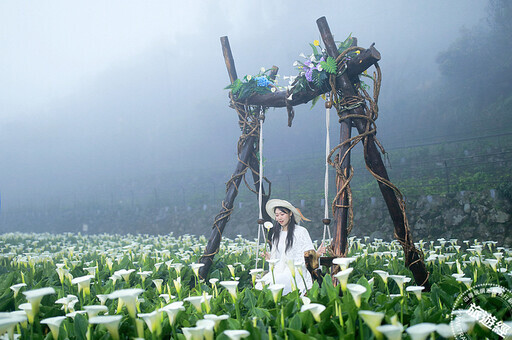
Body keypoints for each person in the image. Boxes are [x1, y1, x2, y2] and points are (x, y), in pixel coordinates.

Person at [255, 199, 325, 295]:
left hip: (296, 270)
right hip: (279, 270)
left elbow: (308, 255)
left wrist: (317, 254)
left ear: (290, 214)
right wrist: (270, 258)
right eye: (277, 215)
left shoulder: (301, 232)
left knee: (278, 282)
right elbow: (278, 259)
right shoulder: (276, 235)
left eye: (282, 214)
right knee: (261, 285)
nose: (279, 217)